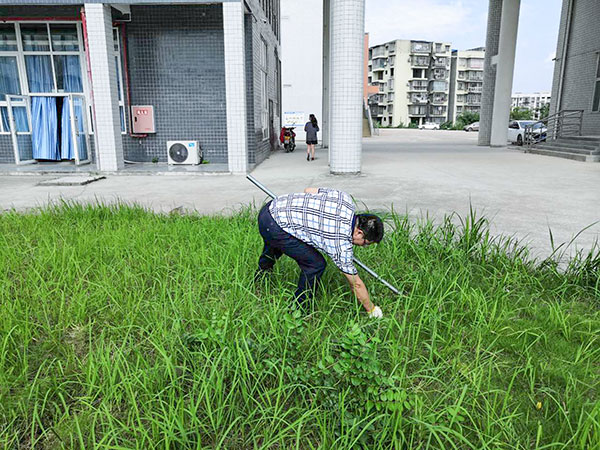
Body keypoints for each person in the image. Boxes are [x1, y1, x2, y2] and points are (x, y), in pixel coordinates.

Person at [255, 187, 384, 317]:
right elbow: (356, 284)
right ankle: (297, 310)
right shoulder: (341, 244)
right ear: (359, 233)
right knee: (315, 265)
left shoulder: (345, 199)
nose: (363, 246)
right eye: (365, 243)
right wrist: (371, 310)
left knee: (278, 242)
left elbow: (308, 190)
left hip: (271, 209)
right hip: (274, 225)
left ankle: (261, 278)